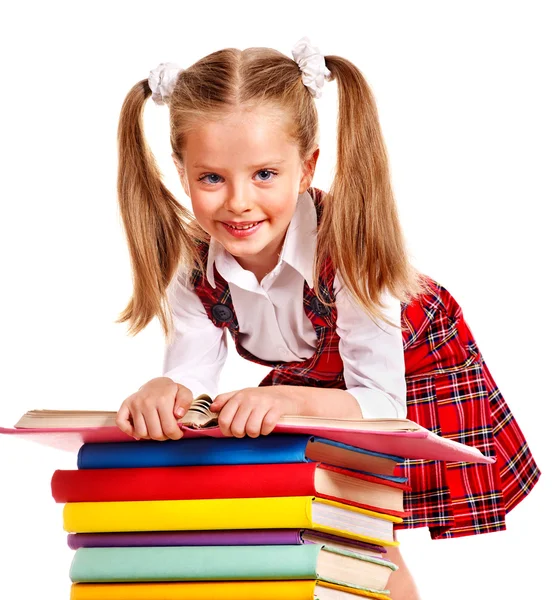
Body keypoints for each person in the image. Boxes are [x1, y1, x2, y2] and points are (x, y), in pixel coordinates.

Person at [114, 37, 540, 599]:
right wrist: (164, 389)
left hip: (411, 372)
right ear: (182, 171)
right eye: (211, 178)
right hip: (314, 373)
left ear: (306, 166)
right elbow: (195, 370)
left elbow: (381, 402)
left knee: (363, 519)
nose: (238, 201)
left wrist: (289, 401)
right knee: (289, 513)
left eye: (264, 174)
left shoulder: (354, 247)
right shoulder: (191, 262)